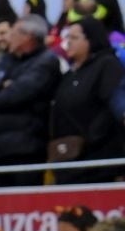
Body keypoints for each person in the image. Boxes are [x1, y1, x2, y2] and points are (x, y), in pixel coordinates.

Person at [0, 15, 62, 186]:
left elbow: (11, 96)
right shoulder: (8, 60)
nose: (7, 38)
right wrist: (1, 83)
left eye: (12, 33)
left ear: (27, 36)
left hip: (25, 150)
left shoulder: (45, 61)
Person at [50, 18, 125, 180]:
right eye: (67, 37)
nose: (67, 43)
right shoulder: (70, 73)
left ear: (91, 39)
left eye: (74, 38)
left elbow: (111, 107)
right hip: (68, 159)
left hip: (98, 162)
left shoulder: (107, 64)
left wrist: (90, 137)